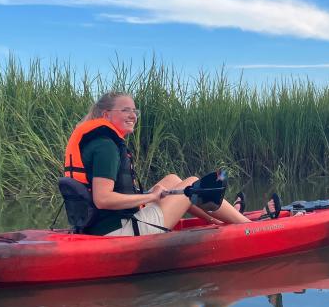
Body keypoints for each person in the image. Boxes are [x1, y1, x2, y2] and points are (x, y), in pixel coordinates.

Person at [63, 92, 250, 236]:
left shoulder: (98, 141)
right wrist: (151, 197)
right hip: (117, 231)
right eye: (125, 110)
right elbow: (102, 199)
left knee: (172, 179)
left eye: (134, 111)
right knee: (192, 182)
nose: (133, 116)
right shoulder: (106, 146)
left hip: (102, 223)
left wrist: (148, 196)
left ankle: (216, 221)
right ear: (106, 115)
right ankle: (248, 227)